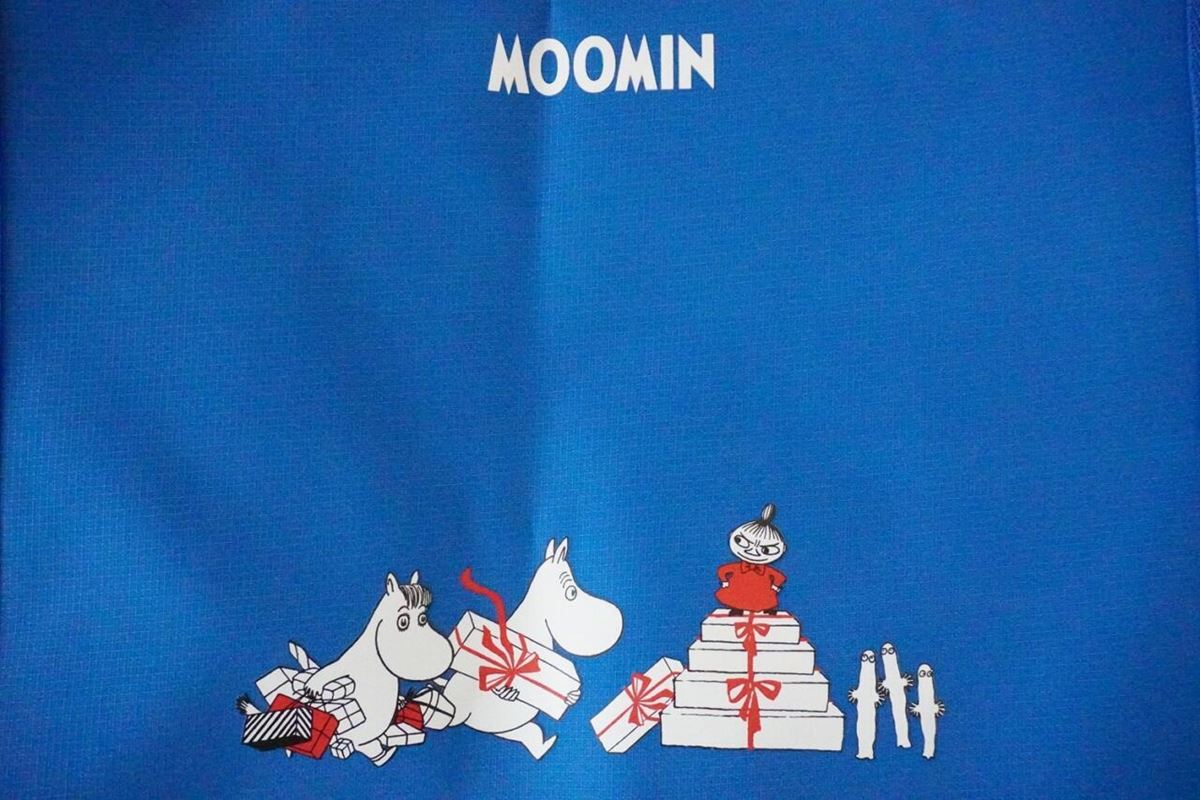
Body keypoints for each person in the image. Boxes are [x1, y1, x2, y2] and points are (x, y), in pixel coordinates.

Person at [715, 503, 787, 615]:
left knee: (765, 601)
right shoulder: (736, 567)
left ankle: (765, 609)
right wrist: (724, 582)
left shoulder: (767, 571)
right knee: (736, 599)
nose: (752, 551)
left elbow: (780, 577)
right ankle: (737, 609)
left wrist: (774, 588)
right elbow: (722, 571)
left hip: (761, 593)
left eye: (765, 550)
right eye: (743, 542)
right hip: (738, 590)